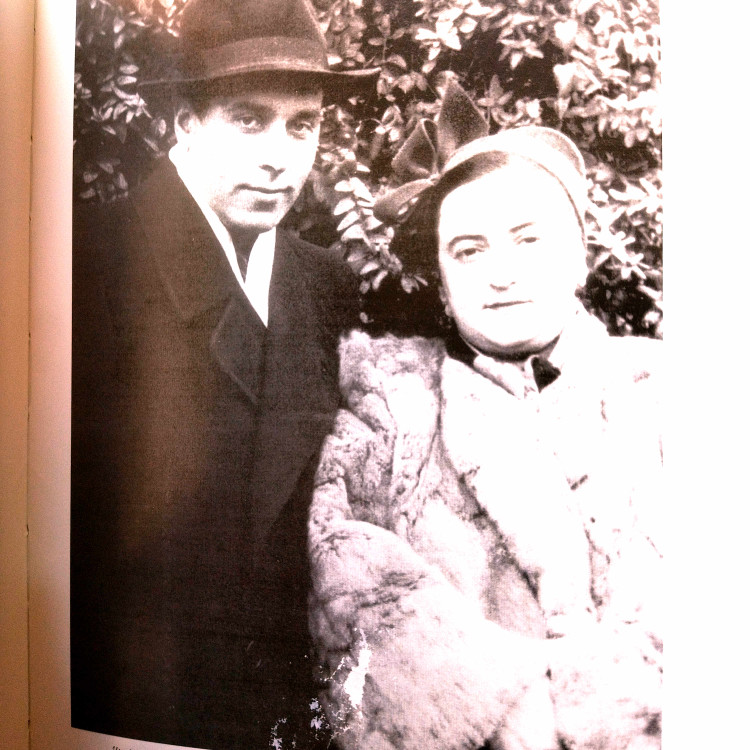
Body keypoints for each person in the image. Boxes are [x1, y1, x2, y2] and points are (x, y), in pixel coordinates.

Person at [308, 83, 662, 750]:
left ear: (580, 258)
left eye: (529, 240)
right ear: (442, 284)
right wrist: (506, 709)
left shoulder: (667, 392)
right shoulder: (388, 413)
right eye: (468, 250)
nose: (501, 273)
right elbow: (344, 573)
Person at [70, 1, 376, 748]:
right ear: (185, 123)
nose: (280, 158)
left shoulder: (324, 283)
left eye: (302, 126)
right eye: (248, 119)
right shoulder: (86, 265)